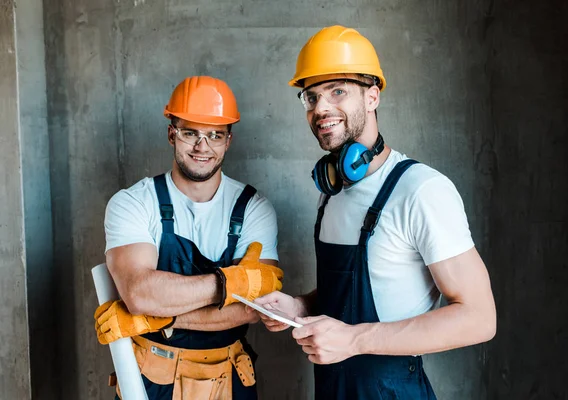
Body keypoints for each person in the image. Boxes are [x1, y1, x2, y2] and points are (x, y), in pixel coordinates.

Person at [254, 26, 496, 399]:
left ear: (372, 97)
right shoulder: (332, 193)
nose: (321, 108)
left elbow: (479, 318)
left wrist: (354, 340)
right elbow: (362, 287)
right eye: (311, 96)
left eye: (338, 91)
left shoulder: (420, 190)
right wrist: (299, 305)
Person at [93, 76, 283, 400]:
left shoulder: (254, 208)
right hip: (152, 380)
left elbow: (254, 309)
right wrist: (232, 284)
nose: (202, 146)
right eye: (190, 133)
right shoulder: (134, 203)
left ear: (228, 141)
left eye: (214, 135)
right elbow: (139, 293)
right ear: (172, 134)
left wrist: (159, 316)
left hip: (231, 379)